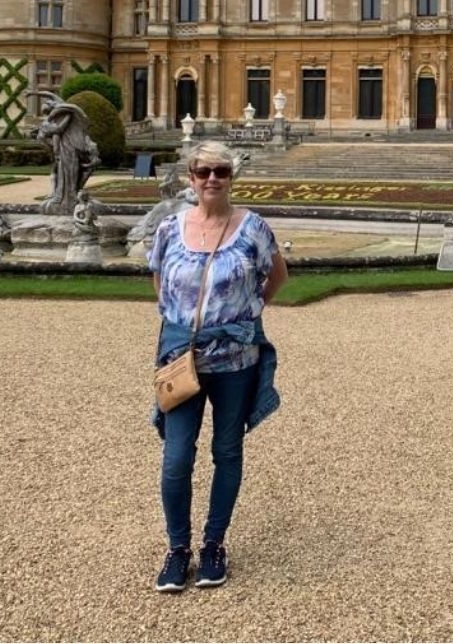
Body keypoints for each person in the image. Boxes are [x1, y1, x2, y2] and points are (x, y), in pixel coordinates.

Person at [148, 140, 288, 592]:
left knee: (226, 452)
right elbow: (159, 282)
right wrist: (184, 329)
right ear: (190, 177)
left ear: (231, 177)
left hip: (236, 362)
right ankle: (177, 549)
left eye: (220, 171)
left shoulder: (253, 228)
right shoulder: (170, 228)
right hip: (182, 362)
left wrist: (244, 317)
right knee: (175, 458)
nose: (212, 178)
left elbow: (278, 276)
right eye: (203, 171)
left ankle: (213, 544)